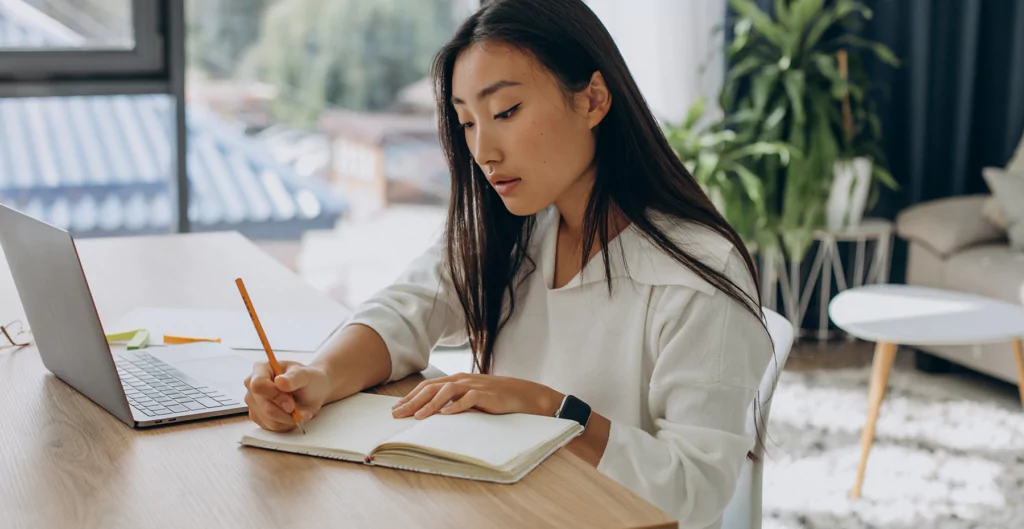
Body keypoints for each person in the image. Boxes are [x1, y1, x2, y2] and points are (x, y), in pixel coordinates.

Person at [243, 0, 772, 526]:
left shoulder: (698, 274)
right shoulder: (517, 228)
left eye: (505, 113)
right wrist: (317, 377)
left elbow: (696, 489)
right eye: (467, 122)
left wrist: (550, 409)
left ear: (592, 100)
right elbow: (407, 310)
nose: (484, 150)